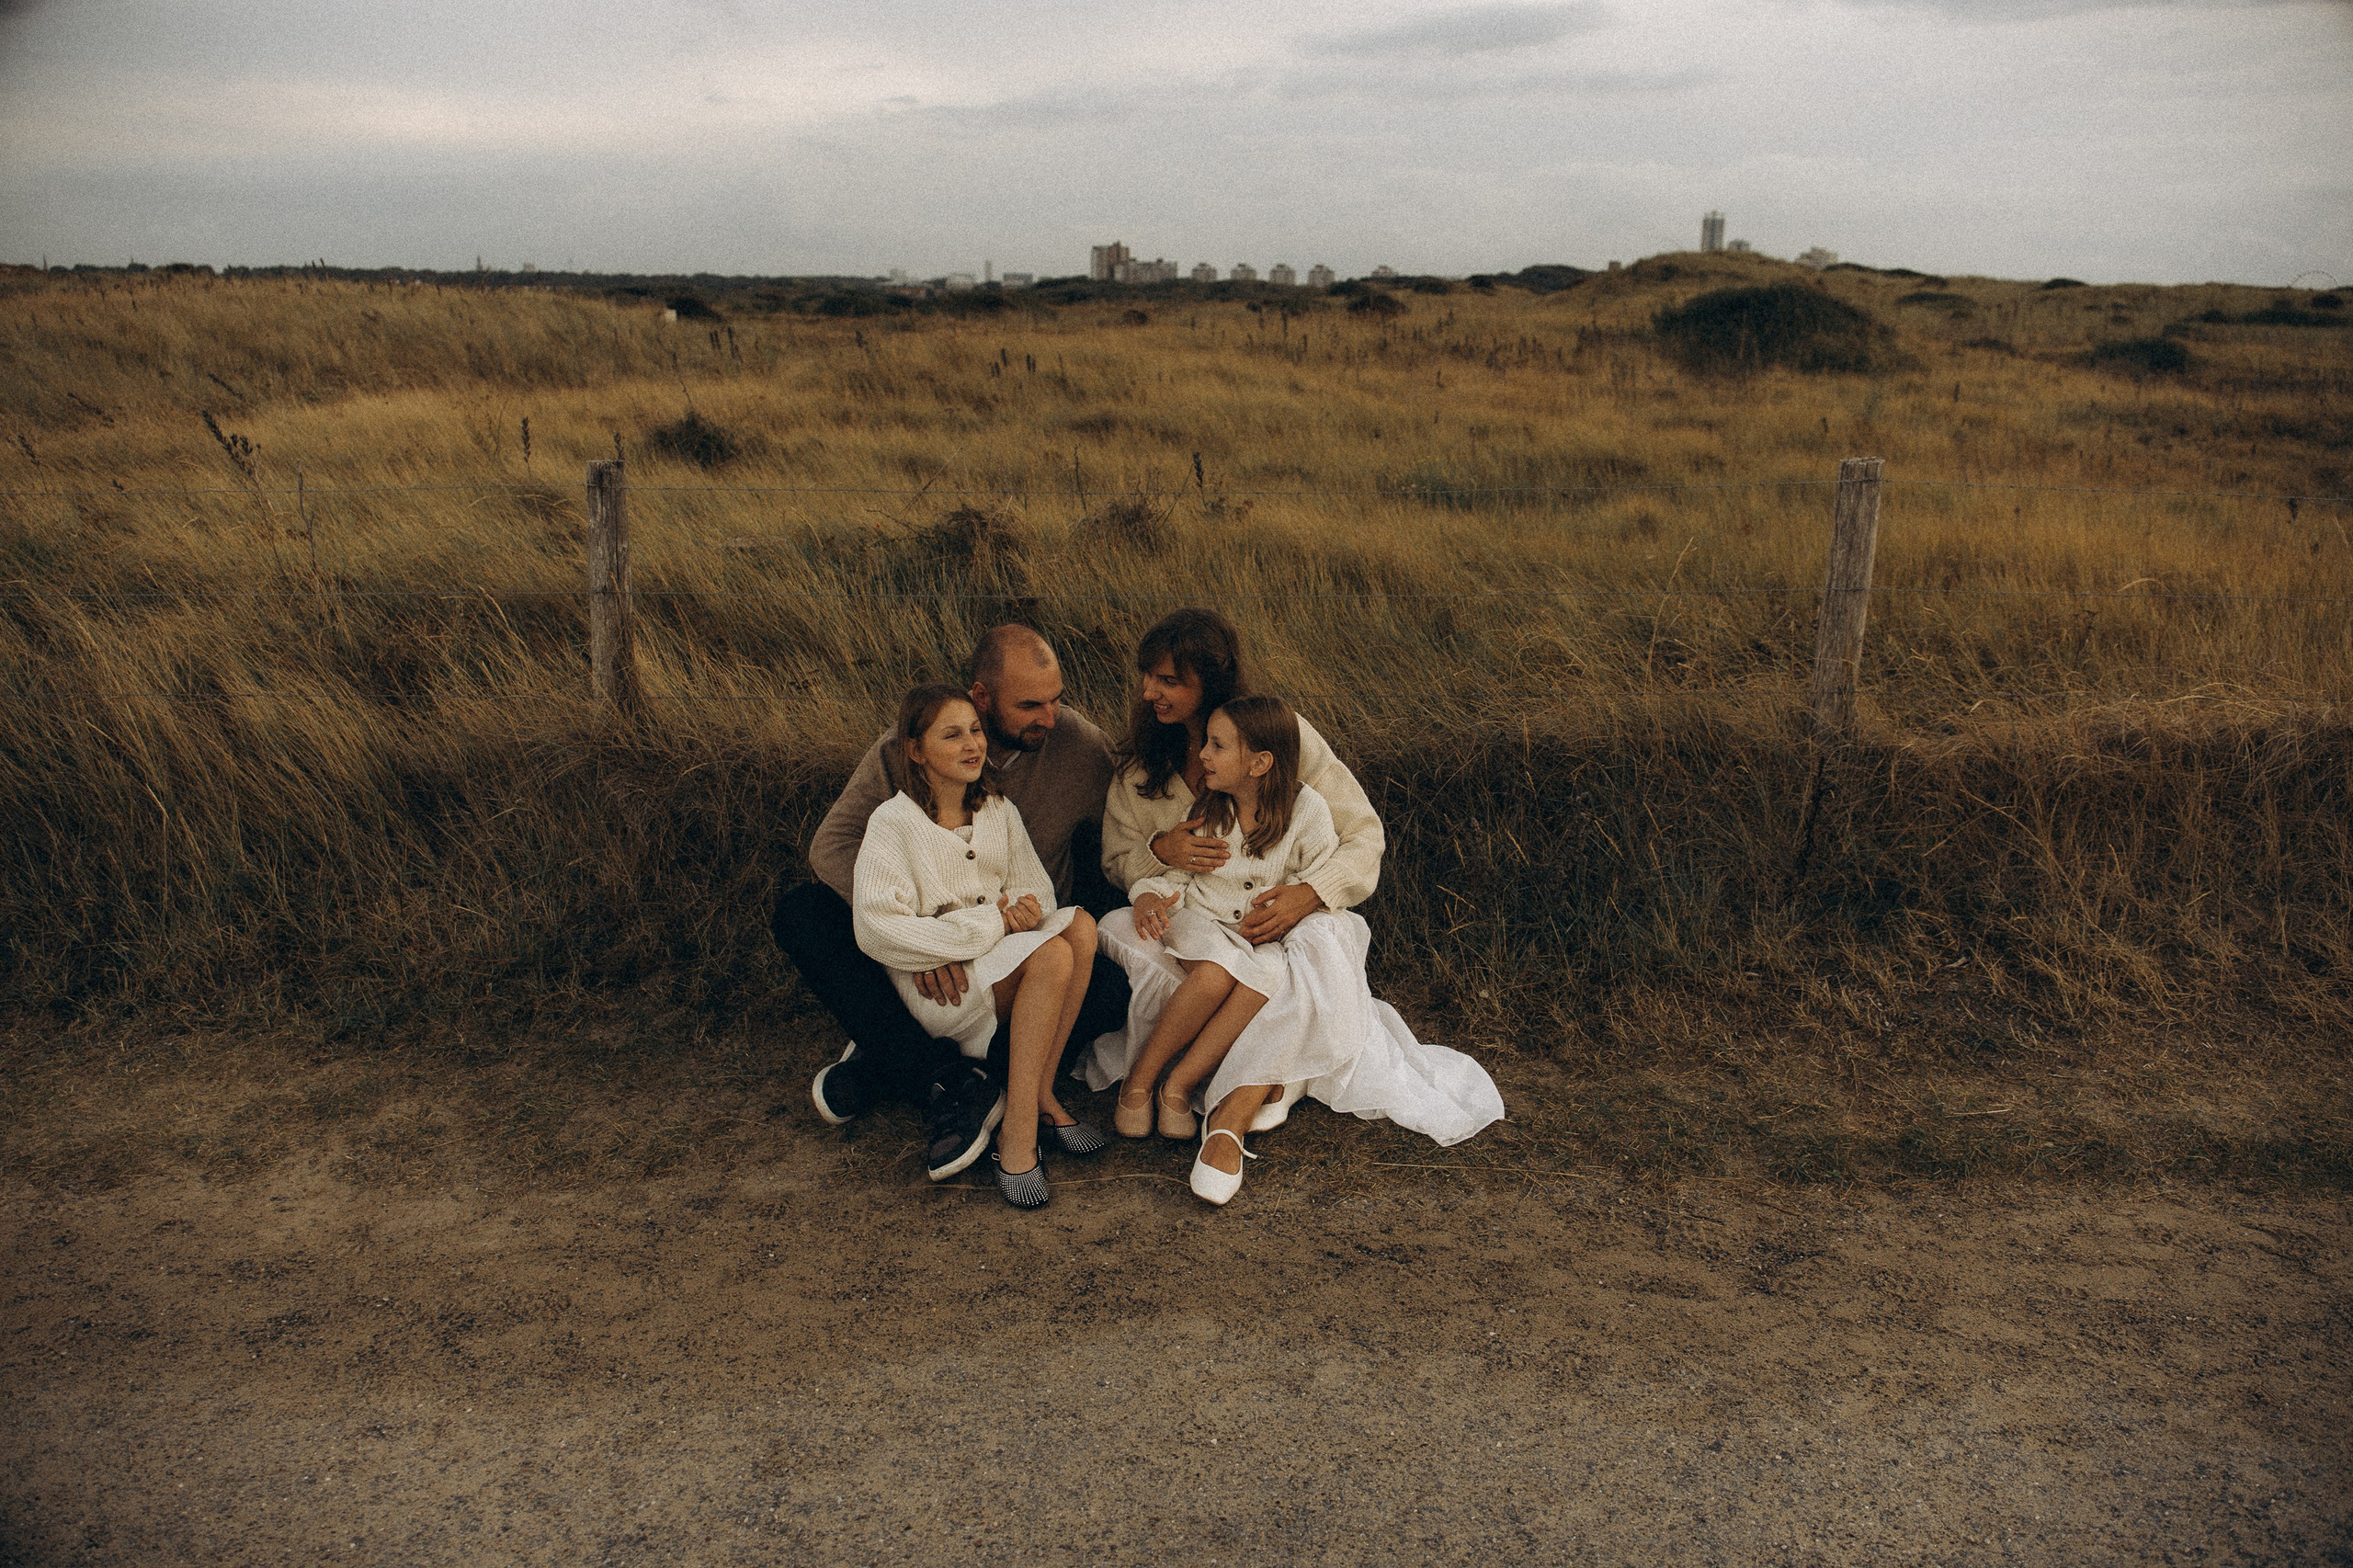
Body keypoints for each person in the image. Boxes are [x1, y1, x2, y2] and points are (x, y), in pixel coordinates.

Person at [774, 625, 1129, 1183]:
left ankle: (895, 1062)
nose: (1050, 717)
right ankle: (943, 1078)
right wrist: (928, 940)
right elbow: (833, 845)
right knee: (803, 913)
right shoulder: (903, 754)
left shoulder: (1081, 750)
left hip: (1016, 946)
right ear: (982, 697)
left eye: (1058, 698)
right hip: (920, 939)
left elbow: (1136, 814)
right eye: (1030, 704)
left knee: (1110, 985)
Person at [1085, 607, 1383, 1131]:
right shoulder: (1141, 765)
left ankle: (1237, 1084)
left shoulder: (1280, 736)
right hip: (1192, 918)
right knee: (1208, 967)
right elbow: (1115, 859)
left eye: (1169, 680)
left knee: (1297, 957)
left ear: (1212, 683)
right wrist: (1160, 850)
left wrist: (1311, 892)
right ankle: (1181, 1077)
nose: (1149, 692)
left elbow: (1364, 835)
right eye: (1148, 677)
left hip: (1275, 918)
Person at [850, 684, 1103, 1210]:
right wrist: (989, 923)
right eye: (952, 734)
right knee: (1055, 953)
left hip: (993, 965)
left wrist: (1025, 911)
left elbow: (1037, 891)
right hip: (939, 990)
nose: (972, 745)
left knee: (1079, 926)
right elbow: (876, 928)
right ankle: (1018, 1136)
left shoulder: (997, 810)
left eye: (975, 730)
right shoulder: (893, 824)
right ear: (916, 751)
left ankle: (1038, 1092)